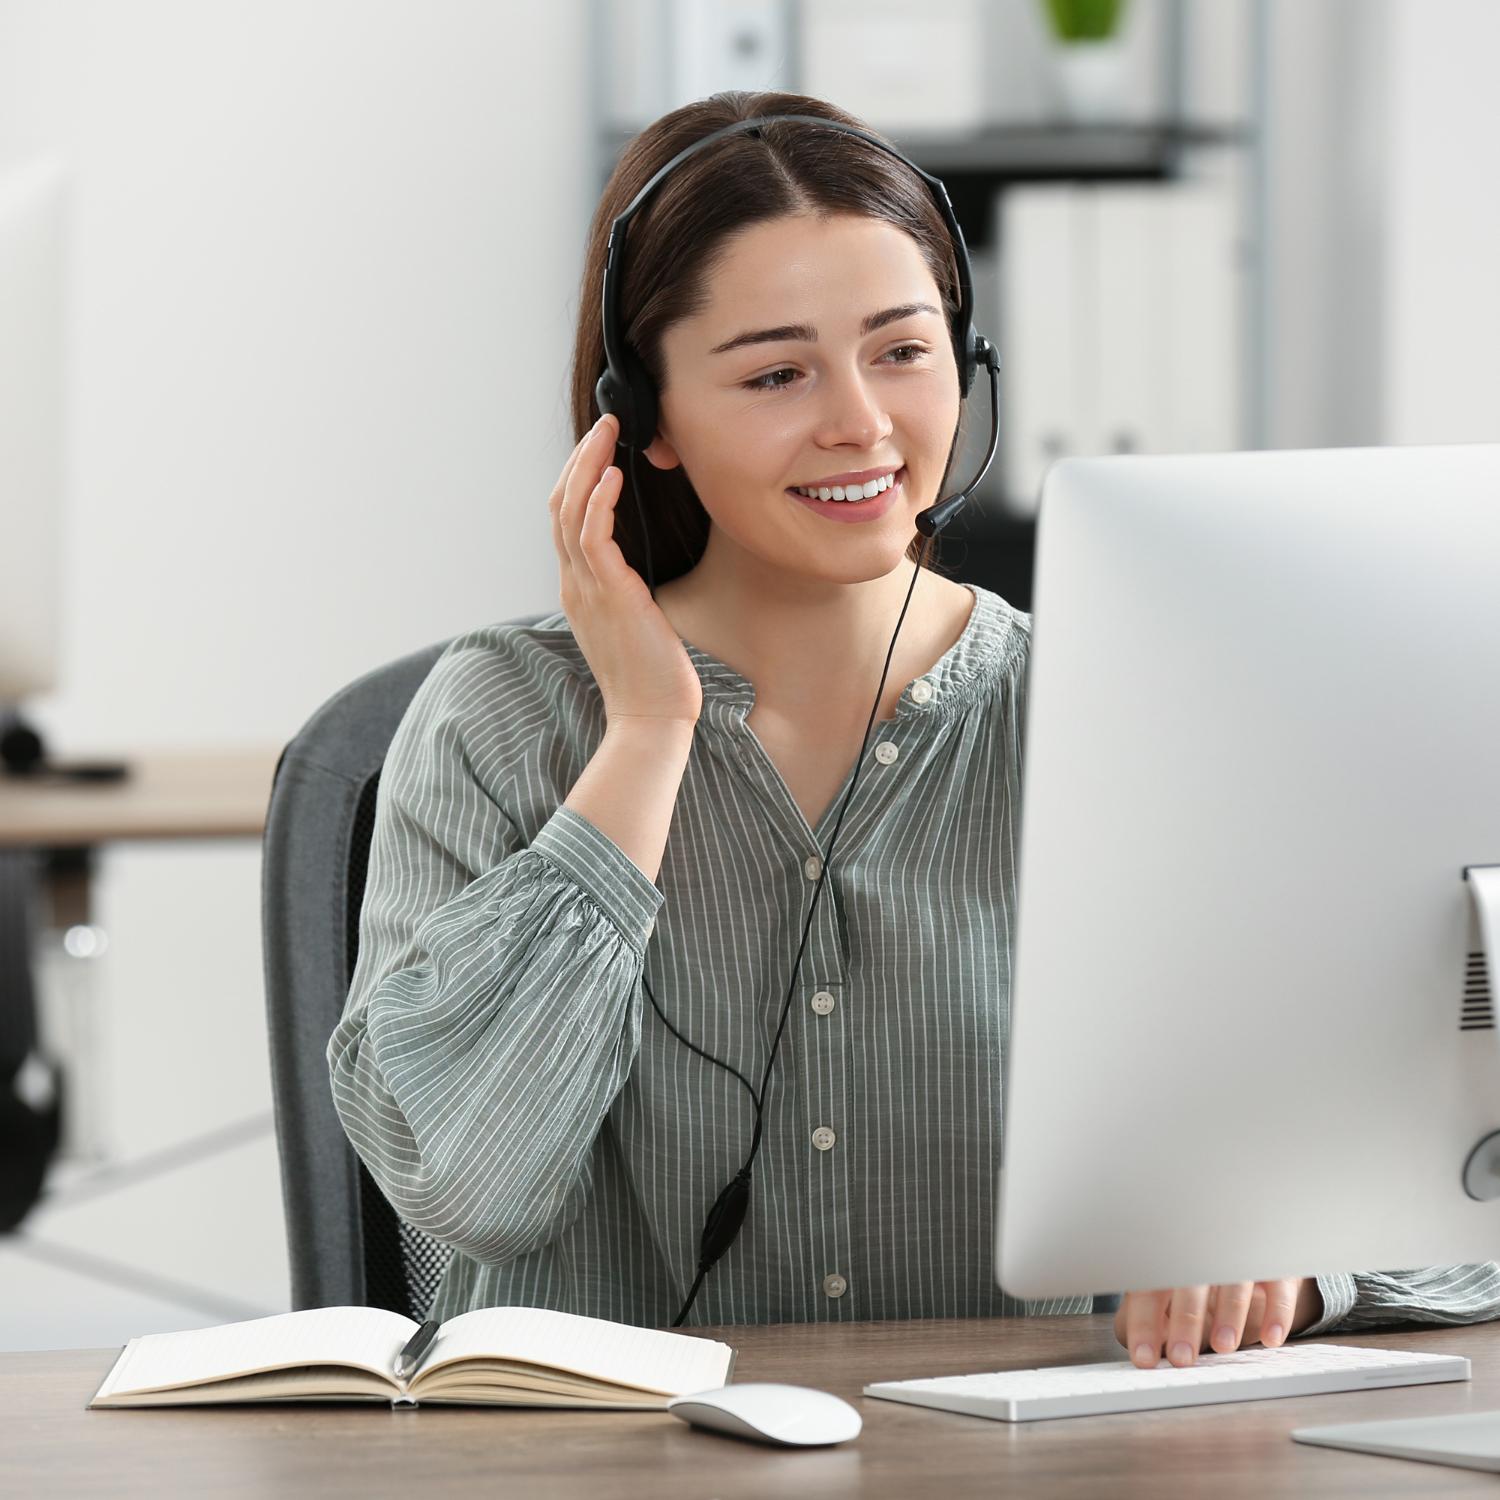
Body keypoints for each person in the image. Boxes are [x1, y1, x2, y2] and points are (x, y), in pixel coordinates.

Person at [326, 90, 1500, 1367]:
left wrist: (1290, 1252)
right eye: (777, 372)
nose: (862, 422)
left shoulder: (1132, 720)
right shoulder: (502, 721)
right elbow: (463, 1188)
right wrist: (650, 734)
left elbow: (1460, 1177)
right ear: (646, 420)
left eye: (903, 349)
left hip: (1027, 1470)